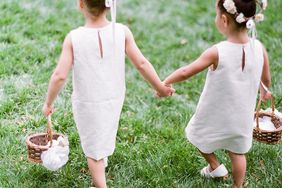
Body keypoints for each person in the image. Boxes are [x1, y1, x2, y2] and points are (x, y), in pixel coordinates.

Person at [42, 0, 174, 187]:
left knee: (94, 150)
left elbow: (59, 76)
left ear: (81, 4)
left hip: (87, 102)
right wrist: (160, 87)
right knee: (103, 132)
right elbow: (142, 63)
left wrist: (48, 103)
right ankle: (100, 158)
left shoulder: (74, 38)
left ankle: (100, 183)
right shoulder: (121, 31)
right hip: (114, 97)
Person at [163, 0, 271, 187]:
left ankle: (215, 165)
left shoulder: (218, 51)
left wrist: (165, 82)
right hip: (242, 116)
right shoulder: (259, 48)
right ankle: (238, 185)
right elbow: (266, 79)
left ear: (223, 19)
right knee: (237, 153)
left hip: (215, 113)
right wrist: (263, 93)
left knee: (196, 135)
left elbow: (186, 72)